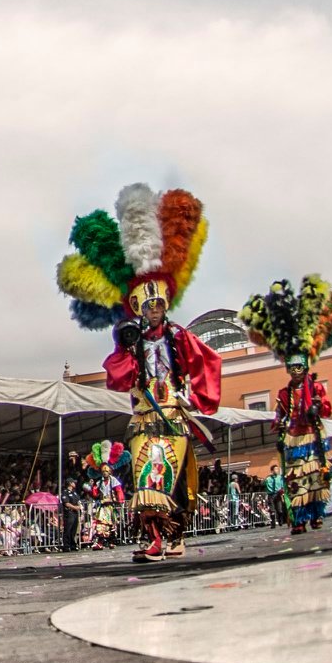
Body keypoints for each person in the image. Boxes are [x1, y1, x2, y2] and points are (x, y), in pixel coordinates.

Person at [56, 183, 223, 563]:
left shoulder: (179, 337)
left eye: (157, 304)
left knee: (173, 478)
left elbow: (206, 363)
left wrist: (195, 397)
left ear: (165, 305)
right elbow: (117, 377)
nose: (152, 310)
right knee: (146, 476)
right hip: (143, 416)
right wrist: (127, 348)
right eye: (146, 305)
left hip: (172, 416)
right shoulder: (131, 341)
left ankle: (175, 533)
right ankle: (153, 540)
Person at [239, 275, 332, 537]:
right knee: (297, 482)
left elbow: (327, 410)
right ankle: (298, 518)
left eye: (300, 367)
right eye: (293, 367)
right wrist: (279, 430)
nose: (297, 371)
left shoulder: (316, 387)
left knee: (316, 480)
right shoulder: (284, 393)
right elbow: (279, 415)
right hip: (293, 440)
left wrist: (317, 408)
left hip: (312, 437)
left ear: (306, 367)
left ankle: (316, 515)